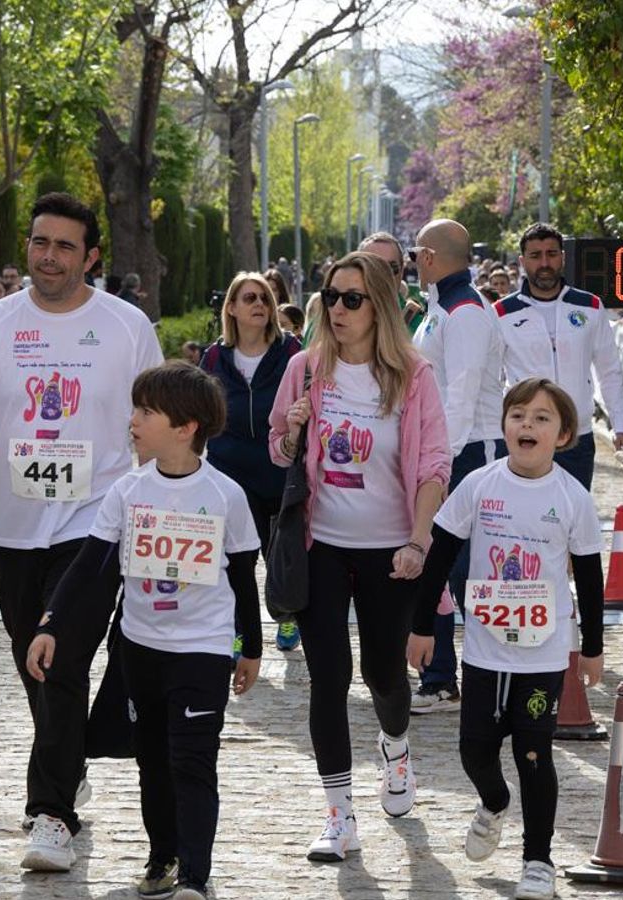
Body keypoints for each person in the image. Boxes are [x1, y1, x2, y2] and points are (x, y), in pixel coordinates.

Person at [0, 192, 163, 872]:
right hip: (13, 529)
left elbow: (154, 423)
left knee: (58, 656)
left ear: (90, 256)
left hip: (95, 525)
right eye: (39, 242)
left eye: (64, 246)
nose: (48, 256)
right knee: (33, 659)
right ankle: (67, 754)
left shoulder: (125, 326)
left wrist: (151, 511)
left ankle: (51, 813)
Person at [25, 361, 261, 900]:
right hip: (140, 649)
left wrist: (250, 646)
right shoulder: (128, 491)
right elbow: (88, 566)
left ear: (186, 426)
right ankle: (164, 855)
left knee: (193, 762)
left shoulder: (226, 495)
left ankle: (196, 880)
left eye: (146, 411)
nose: (132, 420)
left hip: (201, 652)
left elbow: (245, 578)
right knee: (153, 762)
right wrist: (51, 624)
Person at [268, 251, 450, 862]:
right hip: (321, 545)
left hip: (390, 550)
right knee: (329, 678)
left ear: (379, 307)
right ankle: (338, 816)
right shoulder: (305, 368)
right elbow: (279, 450)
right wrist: (293, 432)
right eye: (331, 296)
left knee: (383, 675)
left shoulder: (413, 377)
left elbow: (433, 466)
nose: (337, 309)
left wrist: (419, 541)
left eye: (352, 299)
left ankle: (396, 751)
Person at [409, 377, 606, 900]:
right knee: (475, 751)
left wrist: (592, 648)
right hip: (484, 651)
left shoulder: (572, 498)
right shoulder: (479, 484)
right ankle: (494, 802)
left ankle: (537, 861)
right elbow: (441, 556)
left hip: (542, 652)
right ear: (503, 425)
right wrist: (422, 625)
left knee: (534, 752)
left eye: (542, 419)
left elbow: (588, 578)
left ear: (562, 436)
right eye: (518, 415)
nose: (527, 425)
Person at [408, 219, 509, 716]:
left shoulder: (465, 310)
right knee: (442, 567)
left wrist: (439, 468)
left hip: (469, 451)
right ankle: (442, 677)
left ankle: (488, 676)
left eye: (414, 254)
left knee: (470, 571)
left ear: (429, 257)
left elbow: (462, 394)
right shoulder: (441, 307)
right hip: (450, 451)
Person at [198, 272, 302, 652]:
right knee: (236, 558)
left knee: (280, 555)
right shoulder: (214, 356)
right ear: (232, 308)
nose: (259, 304)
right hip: (230, 472)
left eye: (264, 299)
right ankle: (241, 630)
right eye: (249, 298)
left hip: (279, 468)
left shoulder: (291, 351)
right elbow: (200, 410)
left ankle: (287, 617)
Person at [493, 223, 623, 488]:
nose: (544, 262)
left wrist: (620, 425)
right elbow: (491, 380)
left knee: (573, 522)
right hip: (525, 437)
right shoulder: (501, 313)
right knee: (525, 519)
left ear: (563, 257)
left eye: (551, 254)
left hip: (576, 438)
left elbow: (609, 370)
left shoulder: (589, 306)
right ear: (522, 262)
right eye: (535, 256)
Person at [358, 232, 426, 335]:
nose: (383, 275)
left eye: (391, 268)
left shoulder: (420, 325)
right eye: (373, 267)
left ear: (402, 270)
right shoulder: (340, 316)